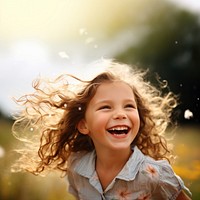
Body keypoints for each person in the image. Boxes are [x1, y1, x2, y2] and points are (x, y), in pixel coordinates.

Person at [12, 59, 191, 199]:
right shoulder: (77, 167)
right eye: (106, 107)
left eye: (129, 106)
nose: (121, 114)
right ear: (84, 125)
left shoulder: (156, 176)